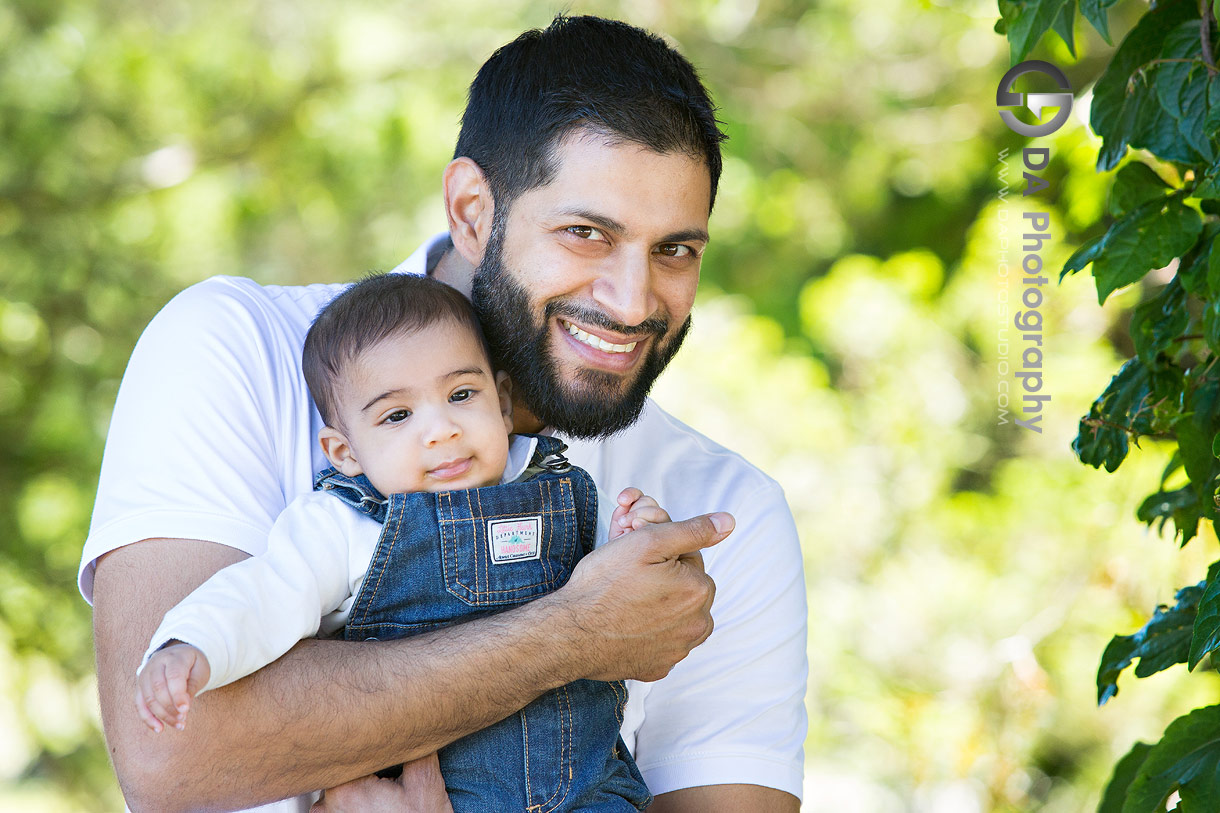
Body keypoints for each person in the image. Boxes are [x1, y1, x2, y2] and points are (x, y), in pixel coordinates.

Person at [84, 15, 808, 813]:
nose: (634, 301)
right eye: (586, 233)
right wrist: (575, 635)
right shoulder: (236, 350)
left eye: (675, 250)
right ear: (471, 210)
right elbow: (169, 753)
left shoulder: (725, 511)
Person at [134, 273, 661, 811]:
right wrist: (191, 645)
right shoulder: (346, 527)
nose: (441, 429)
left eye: (461, 394)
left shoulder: (558, 492)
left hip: (592, 792)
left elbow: (617, 605)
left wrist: (631, 537)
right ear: (345, 453)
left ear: (501, 405)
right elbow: (262, 597)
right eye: (398, 415)